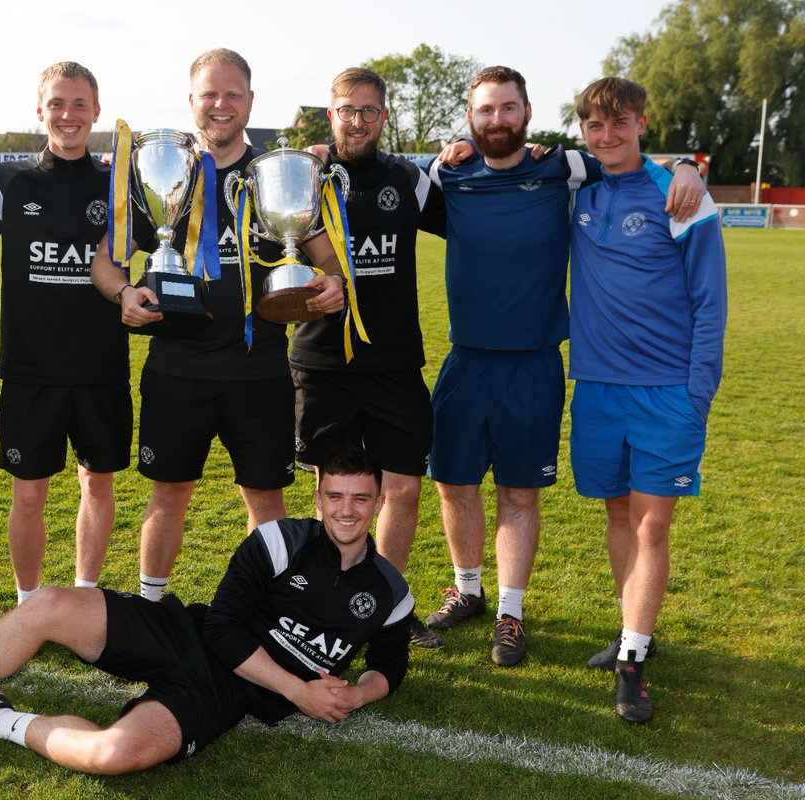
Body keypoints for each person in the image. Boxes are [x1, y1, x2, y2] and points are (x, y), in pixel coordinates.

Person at [0, 446, 413, 773]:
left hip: (224, 695)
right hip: (189, 633)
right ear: (318, 497)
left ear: (379, 503)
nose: (346, 510)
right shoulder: (282, 539)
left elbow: (390, 665)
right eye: (335, 495)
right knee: (51, 604)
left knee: (114, 755)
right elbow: (228, 626)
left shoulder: (390, 590)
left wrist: (357, 694)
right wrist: (299, 691)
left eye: (361, 498)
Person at [416, 66, 704, 667]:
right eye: (486, 109)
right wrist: (318, 150)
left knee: (519, 494)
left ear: (527, 112)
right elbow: (376, 169)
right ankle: (467, 590)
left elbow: (631, 157)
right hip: (466, 360)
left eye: (508, 108)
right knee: (454, 483)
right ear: (470, 116)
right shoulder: (447, 173)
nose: (497, 119)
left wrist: (687, 166)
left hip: (535, 364)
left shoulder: (564, 168)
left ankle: (510, 613)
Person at [90, 48, 345, 602]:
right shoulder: (161, 174)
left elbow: (326, 260)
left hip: (261, 370)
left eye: (232, 94)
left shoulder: (276, 178)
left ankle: (263, 611)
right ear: (191, 102)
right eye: (209, 94)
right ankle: (151, 606)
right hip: (178, 369)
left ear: (251, 101)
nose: (221, 105)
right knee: (169, 495)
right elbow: (104, 261)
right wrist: (125, 293)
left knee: (267, 502)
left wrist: (334, 284)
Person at [568, 77, 725, 721]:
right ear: (583, 130)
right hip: (599, 390)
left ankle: (632, 660)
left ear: (641, 122)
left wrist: (698, 391)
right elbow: (503, 154)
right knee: (616, 516)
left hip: (667, 393)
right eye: (595, 126)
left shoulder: (682, 194)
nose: (607, 136)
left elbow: (710, 303)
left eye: (619, 123)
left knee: (652, 522)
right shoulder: (574, 187)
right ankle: (635, 629)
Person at [290, 67, 446, 649]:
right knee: (332, 491)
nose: (358, 121)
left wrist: (461, 155)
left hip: (394, 362)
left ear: (384, 117)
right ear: (330, 115)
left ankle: (387, 606)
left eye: (369, 111)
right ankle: (318, 599)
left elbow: (476, 212)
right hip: (322, 363)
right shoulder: (301, 176)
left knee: (402, 486)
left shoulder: (408, 178)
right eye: (347, 110)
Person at [0, 62, 127, 603]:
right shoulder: (12, 183)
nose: (68, 115)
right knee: (29, 495)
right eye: (57, 104)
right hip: (30, 370)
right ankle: (28, 601)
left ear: (96, 112)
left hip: (100, 367)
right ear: (40, 111)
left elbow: (172, 233)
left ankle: (86, 594)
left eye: (79, 104)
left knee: (98, 484)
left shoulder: (117, 182)